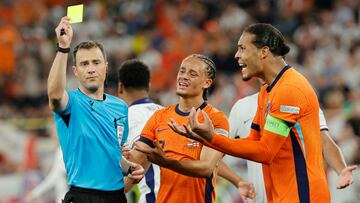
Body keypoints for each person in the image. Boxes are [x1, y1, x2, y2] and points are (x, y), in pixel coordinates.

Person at [170, 23, 332, 202]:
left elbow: (266, 151)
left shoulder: (290, 89)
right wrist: (205, 138)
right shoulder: (268, 91)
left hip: (304, 196)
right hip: (283, 196)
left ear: (263, 52)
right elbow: (254, 141)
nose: (236, 55)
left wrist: (212, 138)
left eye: (242, 48)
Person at [119, 58, 255, 203]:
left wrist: (167, 162)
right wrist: (123, 155)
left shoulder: (215, 119)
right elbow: (138, 160)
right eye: (182, 71)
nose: (184, 76)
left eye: (192, 74)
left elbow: (206, 167)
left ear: (207, 83)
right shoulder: (159, 116)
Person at [47, 17, 144, 203]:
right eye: (84, 64)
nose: (91, 69)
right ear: (75, 71)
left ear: (106, 68)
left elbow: (114, 156)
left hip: (117, 197)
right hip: (83, 195)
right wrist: (63, 47)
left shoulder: (121, 107)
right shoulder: (71, 103)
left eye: (96, 62)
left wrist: (130, 168)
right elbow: (54, 94)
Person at [228, 92, 357, 203]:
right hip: (258, 198)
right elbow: (213, 154)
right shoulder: (242, 107)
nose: (240, 61)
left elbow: (326, 142)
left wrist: (341, 170)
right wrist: (237, 180)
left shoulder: (303, 98)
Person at [117, 59, 162, 203]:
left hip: (155, 197)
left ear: (120, 87)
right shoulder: (166, 111)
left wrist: (120, 189)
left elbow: (143, 154)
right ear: (148, 86)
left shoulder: (128, 116)